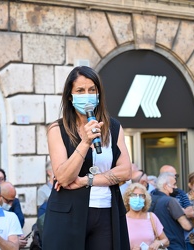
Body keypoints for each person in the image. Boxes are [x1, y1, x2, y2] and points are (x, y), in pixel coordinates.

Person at [42, 66, 132, 250]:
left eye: (92, 90)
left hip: (106, 211)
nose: (87, 95)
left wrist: (86, 180)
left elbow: (125, 171)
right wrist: (85, 142)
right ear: (70, 95)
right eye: (80, 91)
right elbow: (64, 177)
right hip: (68, 214)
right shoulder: (57, 129)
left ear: (99, 94)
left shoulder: (113, 127)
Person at [150, 172, 192, 249]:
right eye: (174, 184)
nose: (175, 187)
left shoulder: (149, 199)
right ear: (165, 186)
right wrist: (190, 216)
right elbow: (187, 226)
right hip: (174, 245)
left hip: (156, 245)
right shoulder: (171, 201)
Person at [124, 183, 169, 250]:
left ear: (145, 199)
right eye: (134, 195)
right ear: (127, 199)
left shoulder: (151, 217)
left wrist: (158, 243)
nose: (137, 198)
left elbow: (166, 241)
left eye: (141, 196)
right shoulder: (122, 220)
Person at [0, 181, 27, 248]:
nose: (11, 204)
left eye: (12, 200)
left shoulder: (12, 216)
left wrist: (15, 241)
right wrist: (15, 242)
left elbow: (20, 222)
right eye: (8, 201)